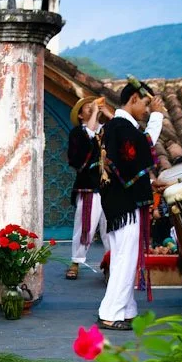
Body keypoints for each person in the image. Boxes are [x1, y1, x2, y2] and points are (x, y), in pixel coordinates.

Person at [97, 76, 165, 330]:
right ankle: (110, 312)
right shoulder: (122, 127)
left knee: (123, 258)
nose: (146, 110)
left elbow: (129, 164)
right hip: (125, 205)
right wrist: (157, 116)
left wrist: (150, 183)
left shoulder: (117, 126)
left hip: (118, 204)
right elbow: (143, 148)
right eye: (145, 104)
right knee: (125, 258)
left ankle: (125, 309)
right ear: (134, 99)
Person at [65, 95, 110, 280]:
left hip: (110, 187)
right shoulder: (78, 133)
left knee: (111, 228)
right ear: (80, 115)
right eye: (87, 107)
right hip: (89, 186)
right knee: (85, 226)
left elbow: (125, 132)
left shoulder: (106, 130)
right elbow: (80, 152)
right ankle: (76, 261)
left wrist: (106, 113)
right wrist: (95, 112)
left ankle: (111, 263)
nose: (91, 107)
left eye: (92, 105)